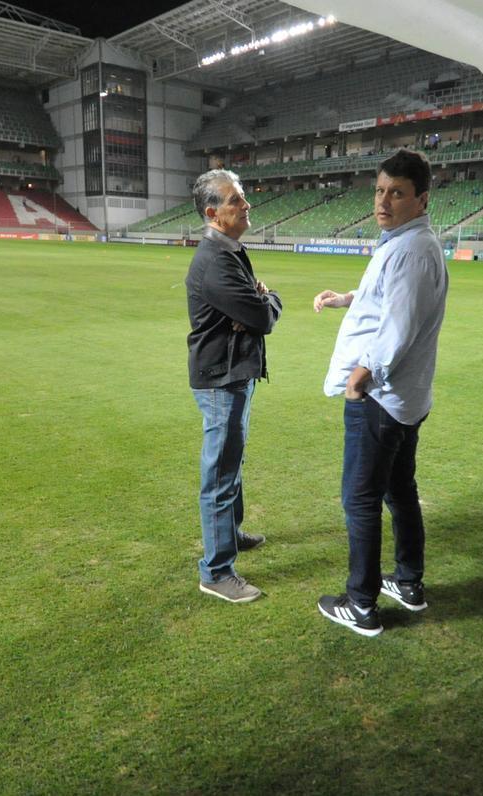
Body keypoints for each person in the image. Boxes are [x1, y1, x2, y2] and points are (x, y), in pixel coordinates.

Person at [312, 149, 449, 637]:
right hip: (404, 399)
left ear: (421, 199)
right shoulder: (406, 243)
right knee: (398, 489)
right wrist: (347, 299)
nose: (384, 201)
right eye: (379, 190)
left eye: (397, 192)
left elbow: (399, 327)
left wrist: (359, 380)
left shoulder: (413, 249)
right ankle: (408, 583)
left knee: (361, 499)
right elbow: (387, 300)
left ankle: (361, 604)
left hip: (381, 398)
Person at [185, 169, 283, 603]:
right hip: (221, 380)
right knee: (221, 474)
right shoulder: (214, 261)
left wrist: (258, 303)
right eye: (235, 201)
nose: (246, 206)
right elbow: (263, 317)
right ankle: (217, 572)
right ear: (212, 213)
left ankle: (232, 534)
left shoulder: (229, 251)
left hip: (234, 374)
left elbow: (254, 313)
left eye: (243, 198)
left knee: (231, 465)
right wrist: (268, 298)